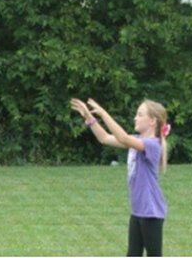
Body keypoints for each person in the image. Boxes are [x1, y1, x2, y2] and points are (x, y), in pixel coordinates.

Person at [71, 97, 170, 257]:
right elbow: (104, 138)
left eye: (140, 114)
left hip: (151, 212)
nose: (135, 118)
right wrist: (89, 118)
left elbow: (123, 137)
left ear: (152, 121)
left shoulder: (153, 144)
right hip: (138, 211)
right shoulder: (137, 140)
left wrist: (103, 113)